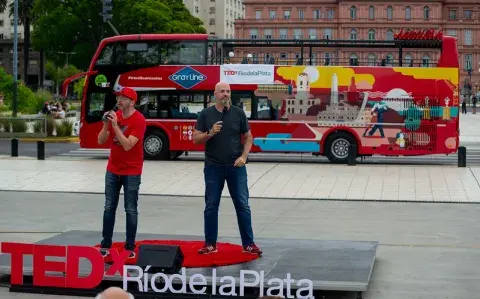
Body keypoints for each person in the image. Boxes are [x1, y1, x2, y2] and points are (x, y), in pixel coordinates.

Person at [193, 81, 262, 255]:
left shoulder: (238, 113)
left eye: (228, 91)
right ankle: (210, 244)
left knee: (242, 205)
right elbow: (195, 139)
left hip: (235, 166)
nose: (226, 94)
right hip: (213, 166)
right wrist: (210, 133)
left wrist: (244, 157)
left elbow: (248, 136)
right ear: (215, 94)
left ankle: (248, 244)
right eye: (222, 91)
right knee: (211, 205)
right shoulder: (205, 114)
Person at [97, 87, 147, 259]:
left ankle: (130, 245)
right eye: (119, 97)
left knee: (130, 208)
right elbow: (101, 140)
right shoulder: (114, 115)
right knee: (109, 206)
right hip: (113, 168)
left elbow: (127, 145)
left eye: (124, 98)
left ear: (132, 102)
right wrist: (106, 125)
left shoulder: (139, 120)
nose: (119, 101)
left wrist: (116, 126)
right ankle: (106, 243)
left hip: (132, 170)